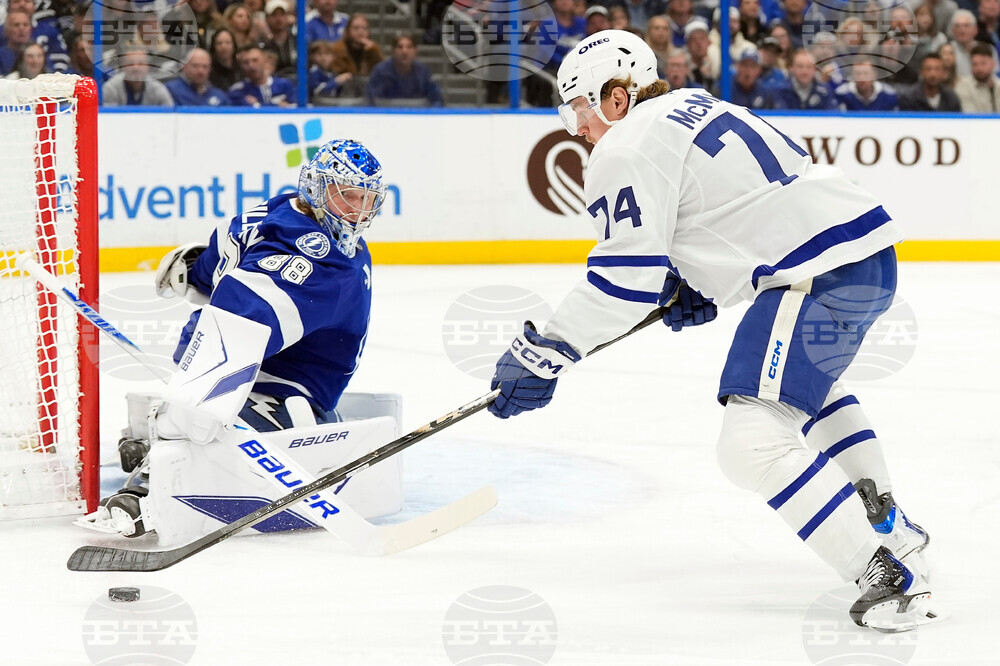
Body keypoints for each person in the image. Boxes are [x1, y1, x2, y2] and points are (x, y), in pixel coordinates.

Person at [490, 29, 939, 633]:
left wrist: (545, 350)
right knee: (804, 394)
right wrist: (698, 281)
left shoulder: (625, 145)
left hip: (815, 273)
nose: (578, 128)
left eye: (580, 108)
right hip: (864, 255)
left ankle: (884, 573)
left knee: (750, 441)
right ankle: (891, 525)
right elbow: (739, 209)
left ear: (615, 98)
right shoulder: (698, 105)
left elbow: (622, 281)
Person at [80, 139, 400, 543]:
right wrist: (199, 386)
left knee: (192, 415)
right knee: (194, 419)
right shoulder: (319, 254)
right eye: (347, 196)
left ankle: (150, 460)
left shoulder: (274, 211)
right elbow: (235, 327)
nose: (356, 211)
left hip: (282, 386)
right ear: (315, 189)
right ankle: (148, 478)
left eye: (366, 200)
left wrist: (196, 280)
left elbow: (217, 270)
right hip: (275, 385)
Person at [366, 33, 443, 106]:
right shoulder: (381, 71)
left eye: (409, 47)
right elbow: (371, 99)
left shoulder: (423, 71)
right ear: (393, 51)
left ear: (415, 51)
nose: (404, 51)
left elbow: (436, 98)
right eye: (400, 47)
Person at [102, 48, 175, 107]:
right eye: (130, 64)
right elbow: (108, 119)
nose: (135, 68)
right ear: (123, 66)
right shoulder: (111, 88)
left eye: (140, 63)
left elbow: (170, 114)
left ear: (147, 66)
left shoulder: (157, 89)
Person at [228, 43, 295, 106]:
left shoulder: (285, 85)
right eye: (246, 62)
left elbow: (295, 107)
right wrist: (277, 105)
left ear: (265, 61)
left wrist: (257, 104)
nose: (251, 65)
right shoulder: (238, 90)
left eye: (255, 60)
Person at [772, 48, 837, 109]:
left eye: (809, 67)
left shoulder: (825, 91)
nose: (804, 71)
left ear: (815, 69)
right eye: (800, 66)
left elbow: (832, 117)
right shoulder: (778, 90)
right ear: (791, 68)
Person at [166, 47, 230, 105]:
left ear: (210, 69)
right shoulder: (170, 91)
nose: (200, 71)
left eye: (205, 67)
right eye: (195, 66)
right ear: (184, 67)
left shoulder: (220, 96)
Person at [835, 58, 899, 110]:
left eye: (866, 73)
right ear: (852, 75)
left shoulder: (888, 94)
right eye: (857, 73)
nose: (861, 78)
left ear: (874, 75)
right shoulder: (841, 94)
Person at [954, 41, 1000, 111]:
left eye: (983, 63)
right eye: (975, 64)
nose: (979, 68)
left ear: (992, 64)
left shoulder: (998, 85)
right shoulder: (963, 87)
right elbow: (971, 117)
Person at [263, 0, 297, 77]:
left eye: (282, 14)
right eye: (274, 15)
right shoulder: (263, 45)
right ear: (267, 19)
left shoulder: (298, 42)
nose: (278, 19)